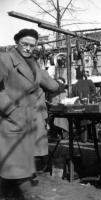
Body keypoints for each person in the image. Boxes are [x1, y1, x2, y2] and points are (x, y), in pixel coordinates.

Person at [0, 28, 62, 199]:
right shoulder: (5, 59)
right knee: (17, 170)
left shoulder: (33, 63)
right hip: (12, 121)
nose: (28, 48)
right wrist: (12, 110)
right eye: (24, 44)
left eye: (32, 46)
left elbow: (44, 87)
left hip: (29, 121)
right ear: (16, 43)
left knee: (15, 171)